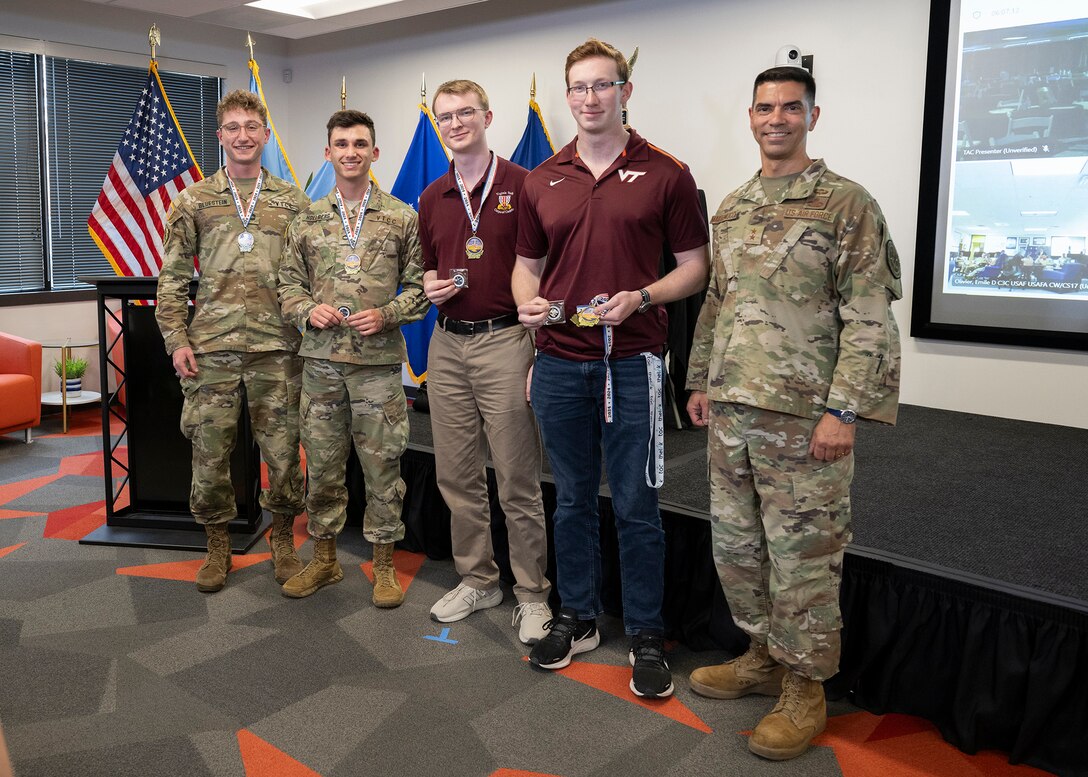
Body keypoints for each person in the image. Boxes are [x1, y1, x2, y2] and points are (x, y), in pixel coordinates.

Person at [685, 66, 902, 761]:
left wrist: (846, 409)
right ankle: (762, 656)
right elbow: (717, 303)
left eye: (789, 107)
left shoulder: (846, 204)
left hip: (806, 422)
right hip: (732, 413)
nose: (775, 118)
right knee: (740, 549)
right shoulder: (734, 205)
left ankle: (805, 686)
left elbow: (868, 316)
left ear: (813, 114)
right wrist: (699, 380)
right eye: (764, 107)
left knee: (804, 558)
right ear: (749, 115)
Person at [513, 38, 710, 698]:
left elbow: (694, 267)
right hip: (562, 362)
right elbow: (525, 268)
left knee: (635, 502)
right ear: (567, 96)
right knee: (570, 498)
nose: (590, 98)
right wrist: (526, 303)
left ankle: (648, 631)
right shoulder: (543, 177)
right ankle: (579, 615)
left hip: (633, 363)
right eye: (579, 87)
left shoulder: (666, 173)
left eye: (603, 85)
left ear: (626, 91)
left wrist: (644, 296)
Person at [157, 89, 309, 594]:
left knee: (284, 453)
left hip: (278, 349)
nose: (243, 136)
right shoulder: (194, 200)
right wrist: (176, 337)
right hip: (212, 350)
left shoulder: (294, 202)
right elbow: (173, 278)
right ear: (220, 136)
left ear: (266, 134)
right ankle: (217, 545)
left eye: (252, 127)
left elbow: (312, 276)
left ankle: (283, 540)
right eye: (233, 128)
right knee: (209, 452)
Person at [418, 79, 552, 644]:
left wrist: (538, 349)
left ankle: (531, 593)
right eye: (444, 116)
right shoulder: (431, 195)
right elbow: (427, 267)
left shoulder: (527, 185)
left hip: (505, 341)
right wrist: (428, 284)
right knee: (456, 473)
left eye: (464, 113)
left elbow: (548, 266)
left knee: (517, 476)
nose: (454, 123)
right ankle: (478, 578)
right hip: (447, 342)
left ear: (488, 116)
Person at [278, 109, 429, 606]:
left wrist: (388, 314)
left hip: (377, 368)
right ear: (328, 153)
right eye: (341, 144)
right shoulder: (306, 220)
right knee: (321, 465)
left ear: (374, 153)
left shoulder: (402, 217)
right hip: (320, 365)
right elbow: (287, 286)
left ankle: (383, 565)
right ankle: (325, 561)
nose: (350, 152)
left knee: (382, 467)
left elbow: (421, 289)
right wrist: (305, 308)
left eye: (360, 144)